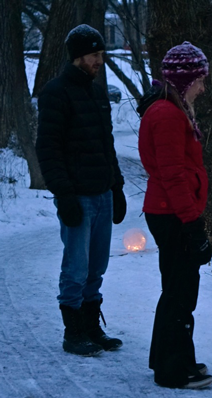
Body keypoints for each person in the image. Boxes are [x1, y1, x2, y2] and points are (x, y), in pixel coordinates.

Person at [36, 24, 127, 357]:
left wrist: (116, 187)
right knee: (75, 267)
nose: (99, 61)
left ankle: (91, 326)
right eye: (94, 55)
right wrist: (65, 195)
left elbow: (107, 146)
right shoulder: (55, 93)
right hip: (78, 196)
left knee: (96, 267)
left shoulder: (96, 92)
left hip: (102, 193)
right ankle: (73, 332)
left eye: (101, 54)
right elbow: (48, 149)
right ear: (78, 57)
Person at [138, 41, 212, 390]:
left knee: (179, 290)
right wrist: (192, 222)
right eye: (199, 79)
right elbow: (173, 173)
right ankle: (171, 369)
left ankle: (173, 357)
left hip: (173, 212)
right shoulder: (167, 114)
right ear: (185, 80)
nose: (203, 86)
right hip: (172, 214)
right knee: (180, 292)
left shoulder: (173, 109)